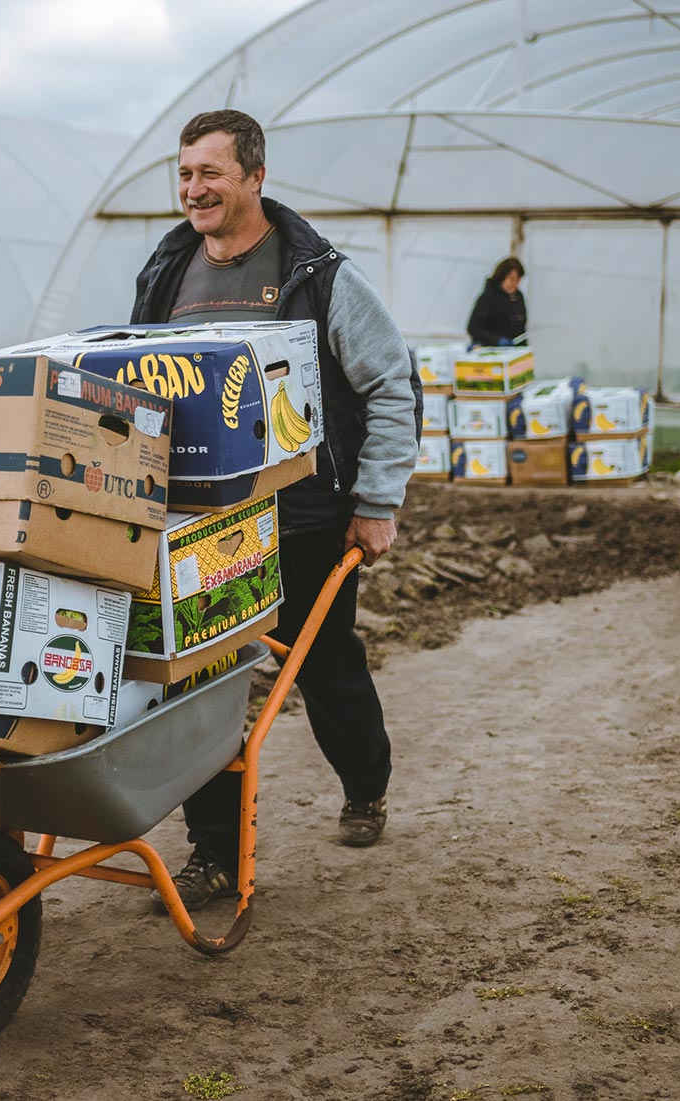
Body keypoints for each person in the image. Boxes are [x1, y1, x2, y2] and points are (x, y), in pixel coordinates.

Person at [130, 109, 421, 908]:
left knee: (324, 665)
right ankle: (215, 852)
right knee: (204, 677)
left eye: (211, 173)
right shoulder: (167, 272)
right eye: (185, 174)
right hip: (202, 520)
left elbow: (389, 382)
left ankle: (366, 783)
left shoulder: (317, 273)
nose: (194, 190)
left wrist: (378, 500)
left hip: (303, 517)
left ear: (256, 176)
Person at [466, 256, 527, 347]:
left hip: (513, 350)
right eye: (511, 279)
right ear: (502, 276)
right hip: (490, 350)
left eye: (518, 280)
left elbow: (521, 326)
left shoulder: (518, 296)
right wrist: (496, 340)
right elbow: (473, 328)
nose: (514, 284)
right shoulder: (488, 297)